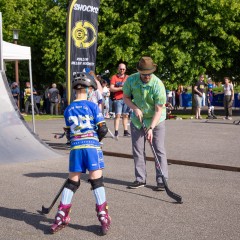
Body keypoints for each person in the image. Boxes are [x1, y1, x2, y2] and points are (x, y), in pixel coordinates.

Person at [50, 72, 111, 235]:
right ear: (89, 88)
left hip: (76, 148)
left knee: (72, 182)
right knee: (96, 181)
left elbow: (69, 135)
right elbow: (103, 129)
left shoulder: (68, 109)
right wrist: (95, 139)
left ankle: (61, 216)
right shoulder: (92, 106)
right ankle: (103, 217)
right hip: (91, 147)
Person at [123, 56, 168, 191]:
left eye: (149, 73)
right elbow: (125, 97)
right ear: (139, 72)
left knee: (158, 149)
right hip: (138, 120)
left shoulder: (158, 84)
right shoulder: (131, 80)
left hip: (156, 119)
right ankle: (140, 179)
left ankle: (162, 179)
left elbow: (159, 110)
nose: (147, 76)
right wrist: (135, 108)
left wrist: (151, 128)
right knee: (138, 150)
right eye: (144, 74)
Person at [110, 63, 131, 139]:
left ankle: (126, 131)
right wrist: (120, 88)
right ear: (118, 69)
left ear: (125, 69)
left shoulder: (128, 77)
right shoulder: (114, 77)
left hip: (126, 98)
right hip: (117, 99)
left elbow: (130, 87)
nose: (122, 70)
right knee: (118, 115)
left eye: (123, 69)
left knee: (126, 115)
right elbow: (111, 88)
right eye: (121, 69)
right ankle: (116, 132)